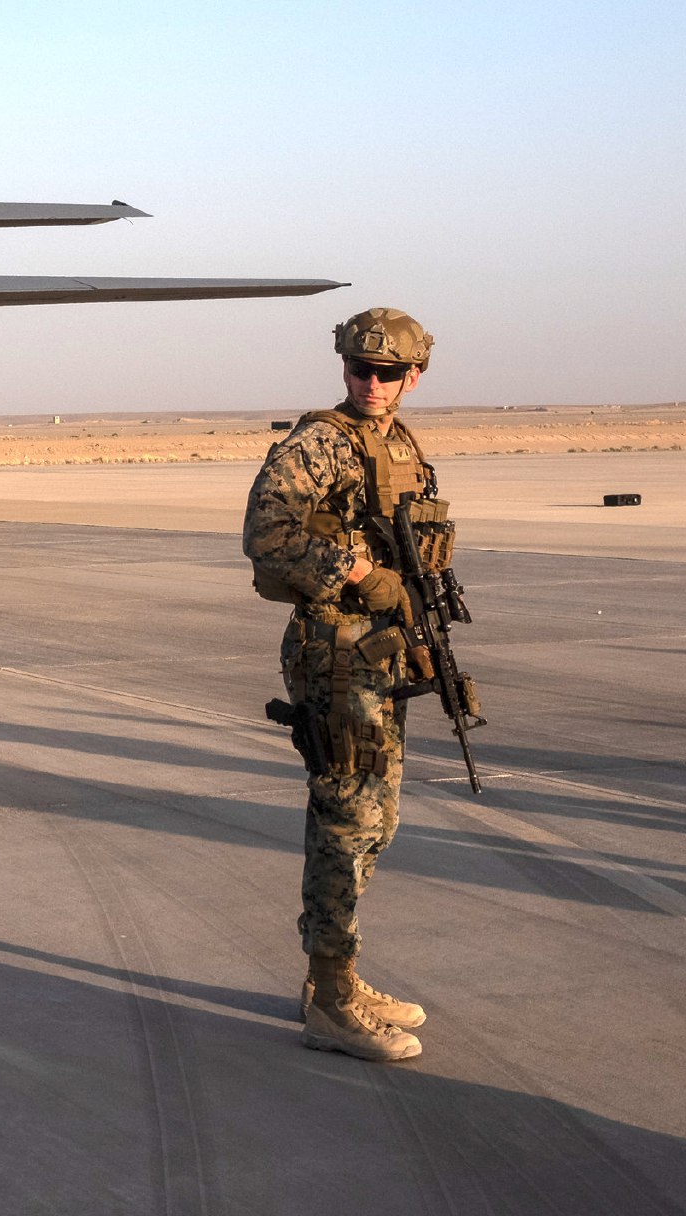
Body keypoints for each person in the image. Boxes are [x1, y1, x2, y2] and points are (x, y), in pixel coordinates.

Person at [243, 307, 446, 1063]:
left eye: (388, 373)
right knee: (347, 819)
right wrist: (357, 573)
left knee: (376, 820)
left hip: (379, 652)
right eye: (361, 369)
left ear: (413, 376)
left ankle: (336, 977)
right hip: (335, 651)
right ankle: (330, 1003)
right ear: (345, 369)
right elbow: (265, 533)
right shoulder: (320, 443)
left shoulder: (398, 443)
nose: (372, 383)